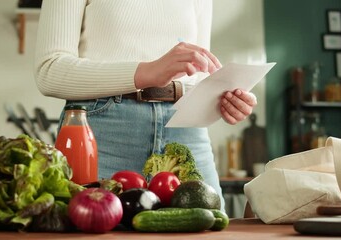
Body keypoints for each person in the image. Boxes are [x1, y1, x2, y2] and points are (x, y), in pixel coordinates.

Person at [34, 0, 257, 211]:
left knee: (211, 230)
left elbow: (197, 75)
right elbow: (49, 70)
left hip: (185, 129)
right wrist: (148, 72)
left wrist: (225, 98)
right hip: (103, 132)